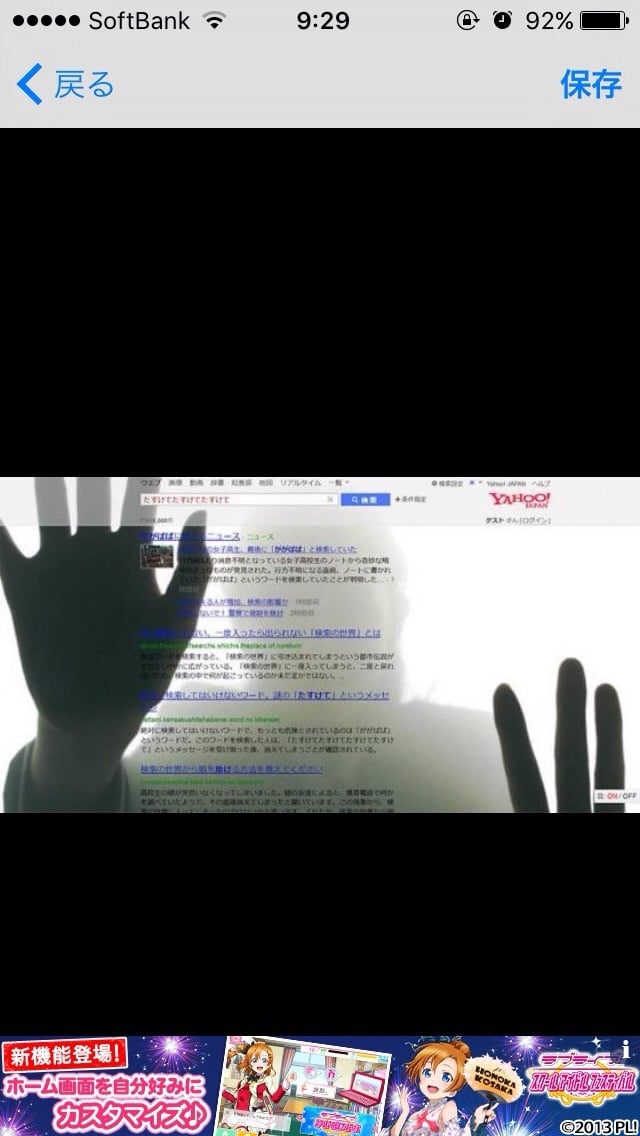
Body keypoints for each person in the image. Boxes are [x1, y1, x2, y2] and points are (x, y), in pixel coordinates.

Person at [1, 478, 627, 813]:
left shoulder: (486, 760)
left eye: (344, 572)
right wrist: (75, 746)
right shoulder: (185, 767)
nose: (311, 609)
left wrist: (79, 747)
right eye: (278, 582)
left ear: (399, 605)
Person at [387, 1039, 495, 1136]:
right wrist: (405, 1111)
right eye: (427, 1073)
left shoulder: (448, 1107)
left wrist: (475, 1123)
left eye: (445, 1077)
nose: (433, 1080)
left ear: (453, 1090)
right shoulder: (416, 1115)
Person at [222, 1040, 294, 1113]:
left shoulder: (267, 1080)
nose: (259, 1064)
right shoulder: (244, 1081)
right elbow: (234, 1099)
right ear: (250, 1063)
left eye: (264, 1060)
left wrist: (287, 1082)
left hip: (255, 1116)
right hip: (237, 1115)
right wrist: (222, 1091)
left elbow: (275, 1099)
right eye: (254, 1060)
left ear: (269, 1064)